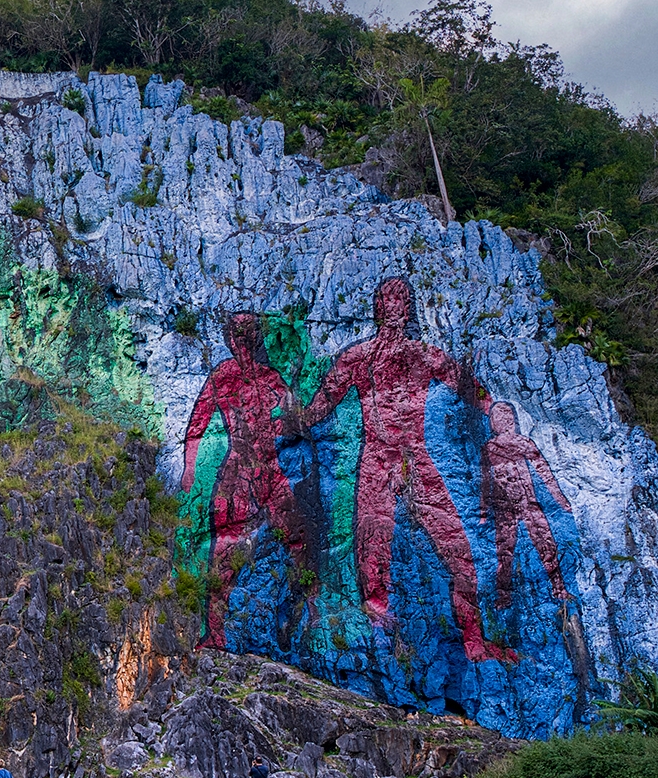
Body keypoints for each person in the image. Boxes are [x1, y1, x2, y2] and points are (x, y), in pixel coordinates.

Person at [302, 278, 509, 662]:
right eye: (387, 298)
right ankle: (378, 629)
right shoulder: (358, 358)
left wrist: (496, 414)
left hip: (417, 460)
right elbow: (321, 404)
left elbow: (468, 387)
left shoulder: (424, 356)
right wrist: (288, 420)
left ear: (408, 307)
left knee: (459, 551)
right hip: (377, 459)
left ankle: (474, 640)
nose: (394, 305)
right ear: (378, 307)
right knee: (372, 544)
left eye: (401, 298)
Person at [180, 312, 308, 647]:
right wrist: (189, 469)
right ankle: (215, 631)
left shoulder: (270, 377)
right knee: (224, 552)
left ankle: (307, 616)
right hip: (237, 473)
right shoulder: (223, 376)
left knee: (298, 541)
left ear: (256, 336)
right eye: (236, 332)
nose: (243, 338)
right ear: (229, 339)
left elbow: (295, 421)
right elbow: (197, 424)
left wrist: (287, 419)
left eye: (249, 331)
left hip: (271, 472)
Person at [481, 401, 573, 606]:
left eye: (506, 416)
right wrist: (483, 511)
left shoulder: (524, 443)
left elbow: (545, 473)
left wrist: (561, 500)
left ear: (513, 419)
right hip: (504, 508)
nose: (503, 421)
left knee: (546, 544)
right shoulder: (489, 448)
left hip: (528, 502)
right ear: (493, 423)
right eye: (497, 417)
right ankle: (504, 596)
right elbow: (486, 481)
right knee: (505, 552)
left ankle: (559, 588)